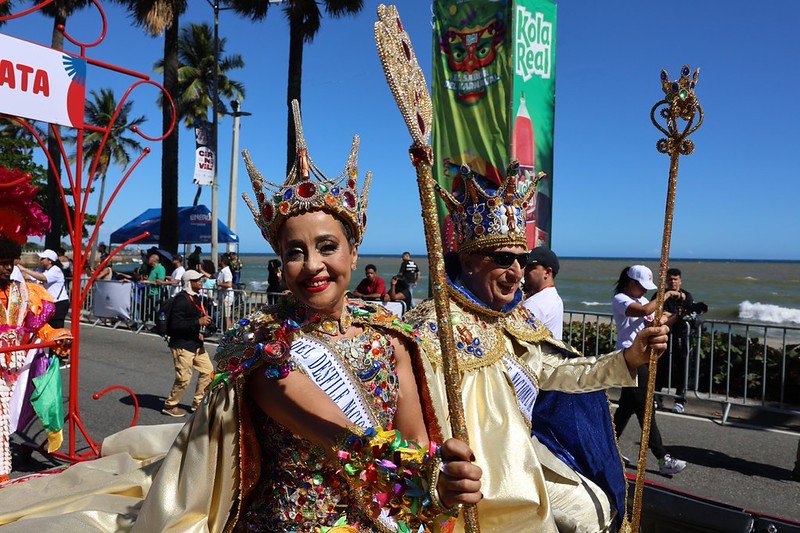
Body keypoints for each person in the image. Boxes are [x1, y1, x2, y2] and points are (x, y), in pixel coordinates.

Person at [135, 102, 482, 531]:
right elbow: (337, 436)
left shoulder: (390, 337)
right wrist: (430, 480)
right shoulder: (262, 344)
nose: (313, 265)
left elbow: (414, 440)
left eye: (327, 247)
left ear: (353, 253)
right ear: (281, 264)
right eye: (295, 252)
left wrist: (439, 486)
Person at [405, 167, 669, 531]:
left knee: (596, 511)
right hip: (478, 481)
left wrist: (629, 358)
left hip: (528, 455)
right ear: (468, 261)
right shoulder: (431, 330)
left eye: (522, 260)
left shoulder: (515, 317)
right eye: (503, 259)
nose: (516, 272)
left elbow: (558, 371)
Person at [0, 168, 72, 483]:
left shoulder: (25, 292)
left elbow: (37, 326)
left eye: (11, 263)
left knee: (5, 415)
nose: (8, 268)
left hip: (14, 365)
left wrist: (55, 335)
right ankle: (2, 472)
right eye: (2, 263)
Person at [612, 265, 687, 476]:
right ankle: (663, 458)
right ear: (631, 283)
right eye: (642, 286)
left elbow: (656, 320)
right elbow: (645, 312)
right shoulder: (621, 299)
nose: (645, 291)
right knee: (646, 410)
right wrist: (666, 294)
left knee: (626, 409)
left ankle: (606, 450)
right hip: (630, 359)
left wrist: (677, 315)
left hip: (643, 358)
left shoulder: (644, 300)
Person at [161, 270, 214, 417]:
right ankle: (170, 406)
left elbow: (191, 320)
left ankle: (198, 403)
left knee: (208, 372)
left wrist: (200, 330)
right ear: (189, 282)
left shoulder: (196, 298)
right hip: (182, 344)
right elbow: (175, 325)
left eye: (200, 280)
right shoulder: (182, 300)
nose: (200, 282)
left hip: (195, 342)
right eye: (197, 280)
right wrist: (198, 322)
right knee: (183, 378)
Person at [657, 267, 694, 413]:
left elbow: (687, 313)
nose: (673, 282)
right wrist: (670, 315)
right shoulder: (661, 295)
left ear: (680, 281)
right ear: (666, 280)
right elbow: (656, 312)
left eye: (675, 279)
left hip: (681, 337)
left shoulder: (687, 296)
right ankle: (657, 398)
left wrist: (669, 315)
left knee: (682, 369)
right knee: (661, 368)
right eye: (670, 279)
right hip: (664, 336)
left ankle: (680, 401)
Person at [18, 249, 70, 329]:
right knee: (45, 327)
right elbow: (27, 276)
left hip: (59, 303)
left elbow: (43, 278)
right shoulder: (41, 270)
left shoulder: (56, 270)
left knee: (55, 327)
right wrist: (16, 267)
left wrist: (24, 269)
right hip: (48, 303)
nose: (40, 260)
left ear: (50, 260)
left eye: (43, 258)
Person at [522, 246, 564, 340]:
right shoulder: (554, 297)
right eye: (525, 266)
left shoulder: (534, 304)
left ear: (547, 272)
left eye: (531, 267)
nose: (524, 271)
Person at [143, 253, 166, 325]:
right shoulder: (153, 268)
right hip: (151, 293)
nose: (148, 260)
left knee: (158, 310)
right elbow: (154, 279)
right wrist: (147, 280)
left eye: (150, 258)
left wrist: (147, 281)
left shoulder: (160, 268)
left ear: (154, 260)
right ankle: (155, 325)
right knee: (152, 310)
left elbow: (160, 281)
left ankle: (161, 326)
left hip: (157, 293)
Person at [216, 254, 234, 331]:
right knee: (224, 316)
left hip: (227, 297)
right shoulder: (222, 271)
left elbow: (229, 284)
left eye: (219, 260)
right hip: (223, 296)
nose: (217, 262)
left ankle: (229, 332)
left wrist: (219, 284)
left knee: (227, 316)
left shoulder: (226, 271)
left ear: (222, 261)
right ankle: (225, 331)